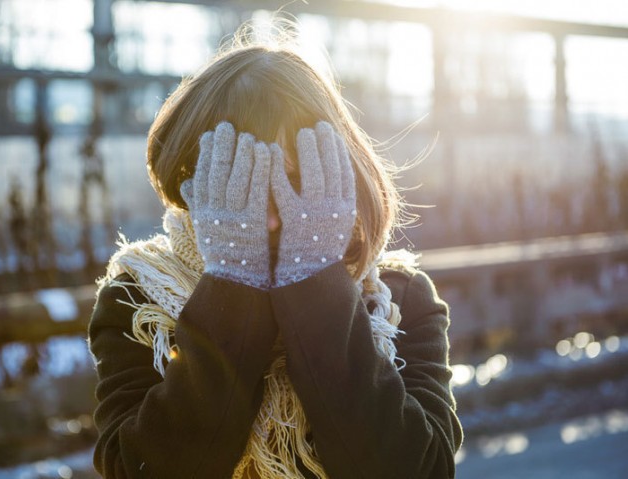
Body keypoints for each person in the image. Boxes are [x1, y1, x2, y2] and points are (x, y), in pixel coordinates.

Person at [88, 21, 463, 479]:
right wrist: (232, 283)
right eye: (237, 188)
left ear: (341, 179)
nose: (265, 219)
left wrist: (315, 279)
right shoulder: (138, 299)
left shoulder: (400, 299)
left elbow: (421, 470)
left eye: (295, 183)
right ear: (192, 183)